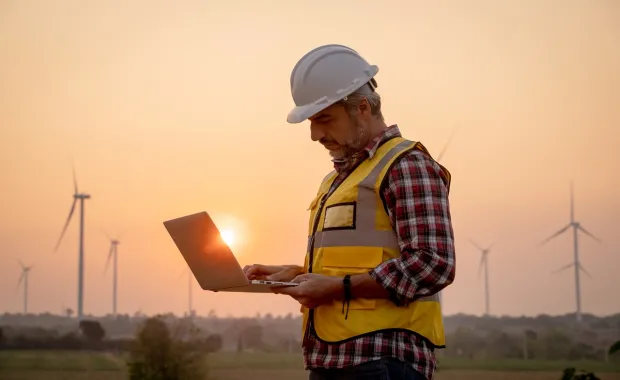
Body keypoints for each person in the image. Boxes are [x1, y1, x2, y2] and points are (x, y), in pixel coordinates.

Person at [243, 44, 456, 380]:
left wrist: (335, 288)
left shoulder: (406, 166)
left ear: (361, 108)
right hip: (334, 360)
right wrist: (297, 273)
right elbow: (357, 265)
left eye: (324, 119)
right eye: (312, 122)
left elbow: (433, 264)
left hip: (382, 361)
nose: (315, 135)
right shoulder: (338, 180)